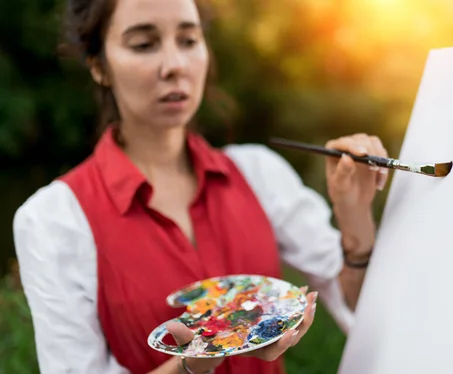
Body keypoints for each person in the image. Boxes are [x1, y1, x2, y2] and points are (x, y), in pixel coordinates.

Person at [12, 0, 390, 373]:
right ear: (99, 66)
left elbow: (360, 307)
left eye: (189, 40)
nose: (175, 65)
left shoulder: (258, 173)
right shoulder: (55, 218)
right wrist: (191, 363)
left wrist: (354, 214)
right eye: (144, 44)